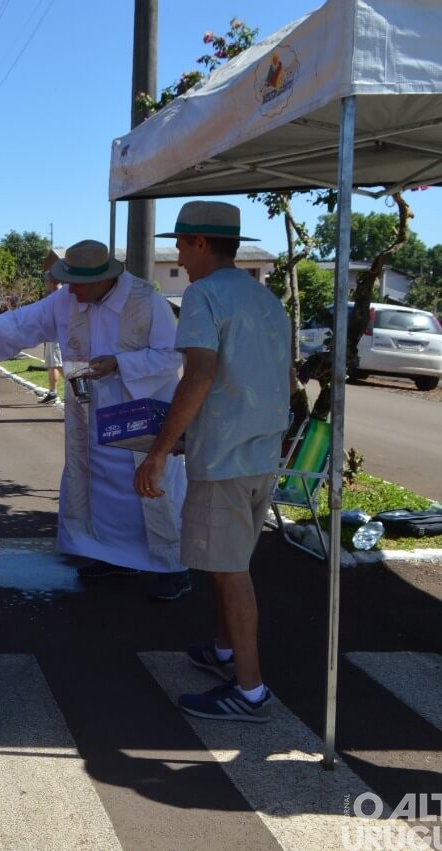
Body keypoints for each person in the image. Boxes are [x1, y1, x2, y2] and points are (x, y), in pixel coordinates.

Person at [133, 201, 292, 723]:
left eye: (181, 245)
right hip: (261, 452)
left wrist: (158, 452)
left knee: (230, 572)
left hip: (224, 458)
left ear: (201, 243)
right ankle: (225, 650)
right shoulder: (265, 298)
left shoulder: (203, 295)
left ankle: (250, 690)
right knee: (232, 562)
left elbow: (199, 374)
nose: (180, 257)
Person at [0, 240, 190, 601]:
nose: (70, 290)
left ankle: (172, 567)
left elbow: (170, 356)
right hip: (90, 416)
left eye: (77, 283)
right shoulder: (67, 299)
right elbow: (31, 318)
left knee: (152, 489)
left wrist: (119, 364)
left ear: (101, 280)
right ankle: (112, 555)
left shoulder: (146, 300)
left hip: (139, 416)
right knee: (98, 485)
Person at [39, 248, 64, 404]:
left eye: (47, 281)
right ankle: (53, 392)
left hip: (57, 335)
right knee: (52, 364)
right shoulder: (53, 295)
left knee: (57, 364)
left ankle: (79, 389)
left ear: (52, 281)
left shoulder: (60, 295)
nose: (45, 284)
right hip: (51, 335)